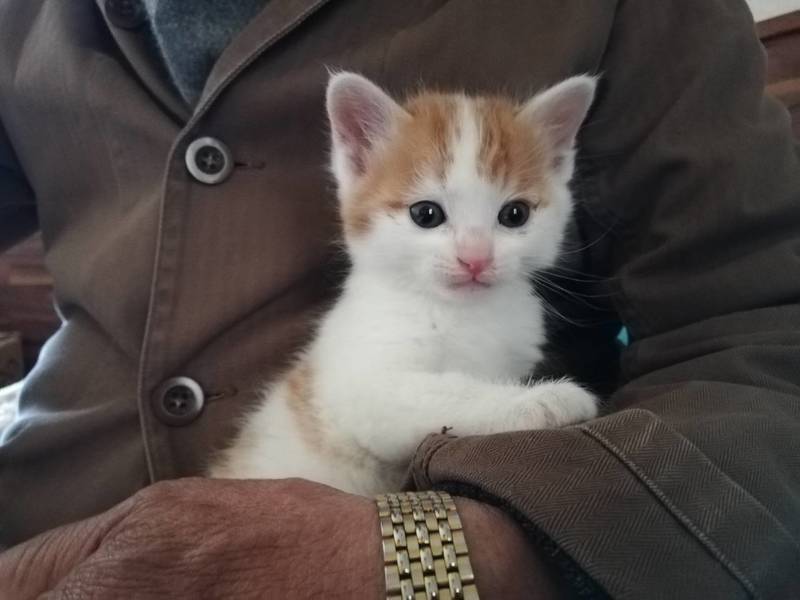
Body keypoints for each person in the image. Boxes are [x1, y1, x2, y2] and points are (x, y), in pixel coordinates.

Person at [1, 0, 799, 597]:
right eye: (427, 216)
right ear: (353, 157)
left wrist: (462, 557)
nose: (476, 253)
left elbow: (758, 322)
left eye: (513, 216)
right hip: (43, 537)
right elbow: (374, 407)